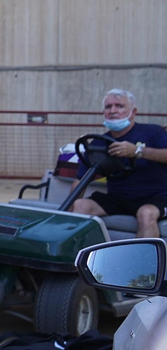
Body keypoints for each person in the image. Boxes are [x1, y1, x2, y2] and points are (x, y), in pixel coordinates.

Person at [71, 89, 167, 238]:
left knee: (146, 213)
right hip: (118, 198)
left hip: (156, 197)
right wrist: (66, 216)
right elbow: (80, 180)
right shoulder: (99, 143)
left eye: (120, 106)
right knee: (80, 205)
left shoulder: (153, 132)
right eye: (108, 107)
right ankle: (86, 258)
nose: (113, 111)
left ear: (133, 112)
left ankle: (145, 261)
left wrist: (137, 151)